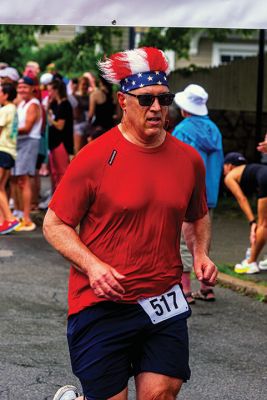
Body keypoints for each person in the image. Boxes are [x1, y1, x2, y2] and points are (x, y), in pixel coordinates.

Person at [43, 47, 218, 400]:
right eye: (146, 100)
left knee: (161, 394)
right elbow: (54, 224)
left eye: (163, 99)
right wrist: (92, 266)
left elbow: (197, 213)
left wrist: (201, 254)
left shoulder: (188, 160)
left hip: (162, 299)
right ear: (123, 101)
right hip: (101, 304)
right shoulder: (94, 156)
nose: (156, 108)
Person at [172, 84, 224, 303]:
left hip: (186, 193)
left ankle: (185, 290)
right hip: (209, 193)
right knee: (203, 240)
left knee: (184, 241)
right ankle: (206, 287)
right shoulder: (214, 130)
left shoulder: (182, 130)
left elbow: (174, 163)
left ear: (185, 109)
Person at [224, 151, 267, 274]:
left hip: (265, 179)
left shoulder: (229, 176)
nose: (223, 171)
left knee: (262, 224)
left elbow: (241, 199)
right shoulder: (250, 169)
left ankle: (251, 263)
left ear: (229, 166)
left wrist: (252, 221)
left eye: (224, 167)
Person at [12, 76, 42, 231]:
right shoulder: (22, 103)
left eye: (24, 87)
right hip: (20, 142)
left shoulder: (33, 105)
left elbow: (27, 127)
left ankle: (26, 217)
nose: (21, 90)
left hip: (29, 141)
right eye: (19, 87)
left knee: (24, 179)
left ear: (32, 88)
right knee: (15, 178)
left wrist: (7, 130)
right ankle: (17, 213)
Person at [0, 83, 20, 234]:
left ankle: (10, 218)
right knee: (1, 187)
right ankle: (4, 221)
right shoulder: (13, 109)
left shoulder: (5, 109)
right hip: (10, 151)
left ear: (6, 95)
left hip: (2, 150)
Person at [47, 79, 74, 192]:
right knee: (54, 173)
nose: (49, 93)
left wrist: (50, 119)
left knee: (62, 172)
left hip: (62, 142)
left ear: (56, 90)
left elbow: (60, 126)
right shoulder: (54, 104)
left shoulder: (65, 105)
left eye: (50, 91)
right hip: (53, 142)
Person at [88, 75, 115, 140]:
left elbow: (91, 114)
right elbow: (119, 116)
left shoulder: (94, 94)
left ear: (100, 82)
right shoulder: (114, 95)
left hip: (98, 129)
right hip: (111, 129)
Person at [73, 76, 90, 153]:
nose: (85, 86)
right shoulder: (75, 96)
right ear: (79, 85)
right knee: (78, 152)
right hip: (78, 126)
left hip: (88, 126)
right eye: (83, 84)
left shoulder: (89, 97)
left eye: (87, 84)